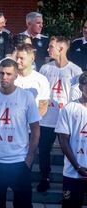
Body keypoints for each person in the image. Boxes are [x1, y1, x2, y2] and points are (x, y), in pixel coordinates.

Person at [0, 59, 41, 208]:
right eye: (2, 73)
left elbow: (36, 129)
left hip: (18, 161)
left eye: (9, 74)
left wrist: (30, 158)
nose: (4, 77)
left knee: (23, 205)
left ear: (16, 75)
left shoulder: (26, 97)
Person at [37, 36, 83, 192]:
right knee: (44, 149)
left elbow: (77, 97)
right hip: (47, 118)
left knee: (67, 149)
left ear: (61, 49)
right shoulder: (45, 68)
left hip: (65, 119)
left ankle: (68, 179)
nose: (48, 49)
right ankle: (45, 177)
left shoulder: (75, 70)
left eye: (51, 46)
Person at [55, 71, 87, 207]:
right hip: (73, 172)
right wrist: (77, 166)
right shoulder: (69, 108)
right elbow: (63, 140)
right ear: (80, 88)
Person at [15, 43, 50, 117]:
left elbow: (43, 106)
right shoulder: (10, 77)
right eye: (17, 57)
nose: (17, 61)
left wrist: (30, 122)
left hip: (30, 126)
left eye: (21, 58)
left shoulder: (41, 80)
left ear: (32, 58)